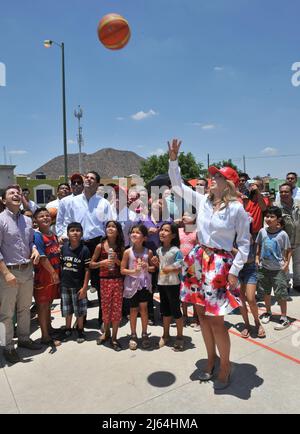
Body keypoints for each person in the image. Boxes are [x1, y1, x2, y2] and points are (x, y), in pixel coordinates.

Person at [168, 139, 250, 390]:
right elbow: (177, 185)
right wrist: (173, 159)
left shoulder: (237, 209)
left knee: (216, 320)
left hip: (220, 264)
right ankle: (211, 359)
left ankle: (226, 365)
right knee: (201, 315)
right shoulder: (203, 201)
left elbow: (245, 244)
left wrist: (234, 271)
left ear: (229, 183)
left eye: (217, 176)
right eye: (212, 175)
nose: (211, 178)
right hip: (198, 259)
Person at [61, 171, 113, 327]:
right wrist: (64, 239)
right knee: (78, 282)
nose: (88, 180)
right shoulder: (73, 201)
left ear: (97, 184)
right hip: (78, 245)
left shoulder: (104, 203)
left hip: (97, 245)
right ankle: (79, 320)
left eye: (92, 178)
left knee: (99, 282)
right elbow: (66, 223)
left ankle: (103, 319)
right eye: (87, 178)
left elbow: (109, 225)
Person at [0, 185, 41, 364]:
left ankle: (24, 339)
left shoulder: (28, 220)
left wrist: (35, 250)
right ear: (3, 200)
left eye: (18, 193)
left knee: (24, 309)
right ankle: (7, 347)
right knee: (6, 313)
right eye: (11, 193)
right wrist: (6, 273)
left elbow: (31, 240)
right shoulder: (0, 220)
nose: (16, 195)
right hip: (9, 272)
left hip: (27, 269)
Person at [90, 221, 125, 351]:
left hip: (117, 280)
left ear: (118, 231)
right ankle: (106, 333)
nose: (110, 229)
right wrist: (102, 263)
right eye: (108, 226)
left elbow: (124, 266)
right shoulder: (99, 246)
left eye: (113, 227)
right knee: (105, 309)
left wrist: (116, 260)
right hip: (104, 280)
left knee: (116, 310)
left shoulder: (120, 247)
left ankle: (114, 338)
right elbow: (91, 264)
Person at [256, 206, 292, 330]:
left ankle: (284, 317)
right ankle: (268, 312)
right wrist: (257, 258)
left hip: (278, 270)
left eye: (272, 217)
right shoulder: (262, 232)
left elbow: (288, 250)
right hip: (264, 268)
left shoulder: (283, 234)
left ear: (278, 219)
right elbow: (259, 246)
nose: (269, 219)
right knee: (266, 292)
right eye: (267, 216)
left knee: (280, 294)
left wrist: (286, 264)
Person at [121, 224, 155, 350]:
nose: (134, 234)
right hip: (132, 285)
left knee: (144, 309)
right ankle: (133, 334)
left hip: (144, 285)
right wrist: (133, 272)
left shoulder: (148, 252)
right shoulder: (127, 252)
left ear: (144, 237)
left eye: (137, 232)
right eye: (132, 232)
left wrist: (147, 266)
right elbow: (122, 270)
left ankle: (144, 333)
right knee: (133, 310)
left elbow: (153, 268)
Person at [152, 222, 184, 351]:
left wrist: (170, 268)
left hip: (173, 284)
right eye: (161, 229)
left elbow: (180, 267)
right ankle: (165, 335)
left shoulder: (176, 251)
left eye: (166, 230)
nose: (162, 232)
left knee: (176, 310)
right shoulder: (159, 250)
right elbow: (160, 267)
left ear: (173, 235)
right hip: (161, 283)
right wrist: (156, 263)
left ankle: (180, 336)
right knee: (164, 310)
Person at [33, 208, 61, 346]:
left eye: (47, 216)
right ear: (35, 220)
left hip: (52, 276)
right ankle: (45, 336)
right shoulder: (37, 236)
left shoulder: (53, 234)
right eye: (41, 216)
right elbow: (42, 258)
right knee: (42, 305)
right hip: (43, 276)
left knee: (49, 304)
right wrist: (53, 273)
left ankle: (49, 329)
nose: (45, 218)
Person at [60, 223, 91, 343]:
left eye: (78, 230)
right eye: (72, 230)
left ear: (82, 234)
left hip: (78, 286)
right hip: (65, 285)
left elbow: (87, 270)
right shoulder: (64, 248)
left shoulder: (84, 250)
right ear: (67, 234)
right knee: (67, 309)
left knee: (80, 310)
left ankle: (80, 329)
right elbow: (62, 265)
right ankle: (67, 328)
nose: (75, 233)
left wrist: (84, 288)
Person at [274, 183, 300, 292]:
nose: (283, 194)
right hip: (284, 243)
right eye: (281, 192)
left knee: (298, 264)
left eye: (286, 192)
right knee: (284, 265)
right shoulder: (276, 207)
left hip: (298, 240)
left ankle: (297, 284)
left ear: (291, 193)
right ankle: (285, 285)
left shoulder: (298, 204)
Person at [178, 210, 200, 330]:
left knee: (194, 292)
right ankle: (185, 315)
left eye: (188, 215)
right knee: (183, 291)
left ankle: (196, 317)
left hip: (194, 267)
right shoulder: (179, 230)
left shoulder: (196, 231)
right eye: (184, 215)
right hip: (181, 266)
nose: (184, 216)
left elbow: (199, 248)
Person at [56, 173, 84, 240]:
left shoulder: (88, 200)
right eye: (74, 183)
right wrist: (60, 235)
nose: (76, 184)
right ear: (71, 186)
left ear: (83, 185)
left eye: (79, 182)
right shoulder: (64, 201)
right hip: (67, 238)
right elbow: (59, 220)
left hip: (84, 237)